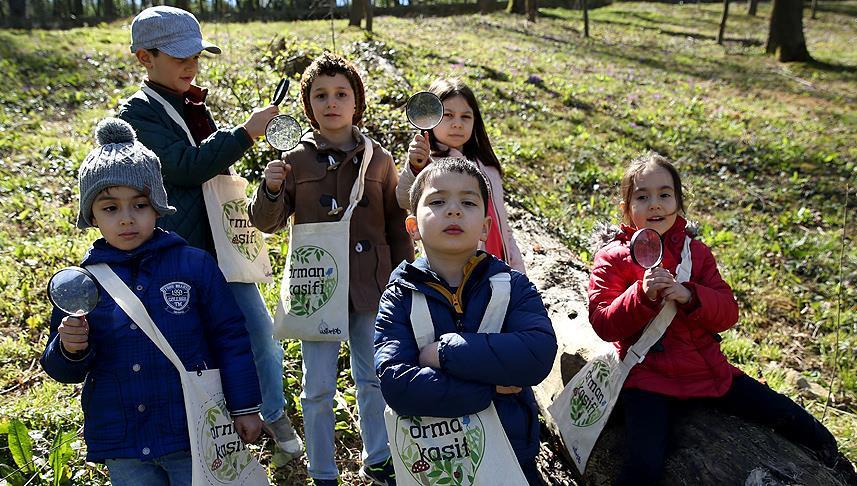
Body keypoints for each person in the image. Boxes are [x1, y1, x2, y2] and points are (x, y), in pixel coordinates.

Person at [588, 152, 842, 485]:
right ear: (626, 209)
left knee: (795, 420)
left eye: (665, 194)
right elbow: (604, 323)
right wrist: (641, 295)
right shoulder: (613, 258)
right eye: (642, 197)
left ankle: (840, 469)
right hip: (646, 379)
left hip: (708, 373)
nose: (655, 205)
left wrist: (691, 296)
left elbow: (727, 313)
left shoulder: (698, 254)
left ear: (679, 203)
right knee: (643, 466)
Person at [115, 6, 302, 456]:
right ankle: (216, 431)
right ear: (145, 58)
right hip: (179, 251)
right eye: (180, 57)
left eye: (196, 56)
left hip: (223, 244)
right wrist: (244, 133)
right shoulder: (137, 114)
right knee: (196, 345)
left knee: (259, 332)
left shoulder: (191, 104)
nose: (191, 66)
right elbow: (183, 166)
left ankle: (272, 412)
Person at [40, 118, 263, 485]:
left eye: (139, 205)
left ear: (158, 205)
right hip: (123, 440)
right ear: (91, 215)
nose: (127, 219)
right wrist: (70, 348)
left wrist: (244, 407)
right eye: (110, 208)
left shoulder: (194, 265)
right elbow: (64, 369)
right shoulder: (83, 282)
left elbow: (231, 338)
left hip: (192, 431)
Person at [248, 52, 414, 486]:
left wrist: (405, 277)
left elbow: (397, 225)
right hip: (316, 286)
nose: (332, 102)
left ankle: (378, 456)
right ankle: (323, 469)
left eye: (341, 93)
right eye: (320, 95)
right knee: (317, 385)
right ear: (308, 106)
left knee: (373, 376)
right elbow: (266, 222)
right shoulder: (294, 160)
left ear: (357, 102)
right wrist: (270, 187)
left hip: (372, 286)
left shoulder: (379, 159)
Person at [374, 157, 557, 485]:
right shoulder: (399, 295)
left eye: (468, 202)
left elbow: (537, 354)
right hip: (435, 459)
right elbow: (397, 384)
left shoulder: (513, 286)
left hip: (512, 454)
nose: (454, 210)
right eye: (438, 201)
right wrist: (490, 386)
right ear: (413, 227)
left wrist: (443, 353)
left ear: (486, 227)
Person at [395, 78, 525, 273]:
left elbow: (502, 226)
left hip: (497, 267)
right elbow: (404, 199)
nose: (457, 124)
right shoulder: (428, 163)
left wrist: (516, 267)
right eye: (448, 115)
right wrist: (415, 166)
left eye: (465, 117)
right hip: (451, 272)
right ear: (431, 118)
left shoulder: (488, 167)